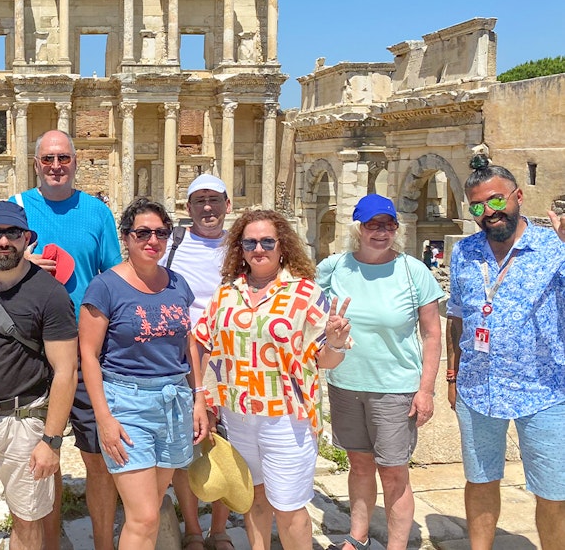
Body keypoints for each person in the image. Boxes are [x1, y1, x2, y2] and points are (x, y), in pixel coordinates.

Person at [193, 210, 352, 550]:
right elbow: (205, 344)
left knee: (289, 506)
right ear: (240, 247)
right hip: (238, 414)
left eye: (267, 242)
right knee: (253, 497)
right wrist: (203, 400)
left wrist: (336, 343)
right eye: (250, 242)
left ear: (282, 246)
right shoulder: (226, 293)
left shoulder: (305, 293)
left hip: (287, 417)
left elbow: (324, 360)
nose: (258, 249)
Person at [445, 153, 565, 550]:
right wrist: (452, 377)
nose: (489, 212)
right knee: (480, 481)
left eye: (497, 200)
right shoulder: (464, 252)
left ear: (518, 197)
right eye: (478, 206)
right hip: (479, 388)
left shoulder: (555, 247)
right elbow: (456, 317)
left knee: (553, 493)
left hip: (545, 391)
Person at [12, 129, 122, 550]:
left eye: (63, 158)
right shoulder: (18, 209)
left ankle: (103, 543)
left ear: (76, 162)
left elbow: (113, 277)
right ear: (35, 163)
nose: (55, 166)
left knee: (98, 458)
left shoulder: (97, 212)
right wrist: (21, 261)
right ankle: (51, 544)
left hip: (87, 352)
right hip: (34, 351)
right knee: (45, 458)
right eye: (48, 159)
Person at [316, 195, 444, 550]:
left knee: (393, 471)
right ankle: (358, 537)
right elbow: (308, 313)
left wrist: (426, 391)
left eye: (388, 225)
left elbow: (432, 334)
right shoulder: (334, 268)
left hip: (394, 387)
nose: (381, 232)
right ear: (358, 228)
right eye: (373, 225)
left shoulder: (413, 270)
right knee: (358, 464)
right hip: (345, 383)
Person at [80, 198, 208, 549]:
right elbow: (88, 355)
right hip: (127, 403)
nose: (153, 240)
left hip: (174, 403)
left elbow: (188, 341)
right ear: (126, 237)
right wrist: (104, 418)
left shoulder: (177, 283)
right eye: (143, 233)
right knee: (144, 516)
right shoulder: (105, 286)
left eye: (161, 233)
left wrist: (198, 398)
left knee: (152, 505)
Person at [0, 201, 78, 550]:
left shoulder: (50, 293)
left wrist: (51, 441)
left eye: (13, 233)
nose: (3, 241)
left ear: (26, 239)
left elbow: (66, 370)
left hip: (25, 420)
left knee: (28, 516)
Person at [159, 174, 236, 550]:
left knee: (229, 444)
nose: (208, 207)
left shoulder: (241, 244)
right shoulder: (173, 243)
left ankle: (219, 529)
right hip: (183, 357)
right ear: (188, 207)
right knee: (185, 443)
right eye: (200, 201)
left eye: (215, 200)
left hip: (233, 360)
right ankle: (192, 529)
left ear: (228, 204)